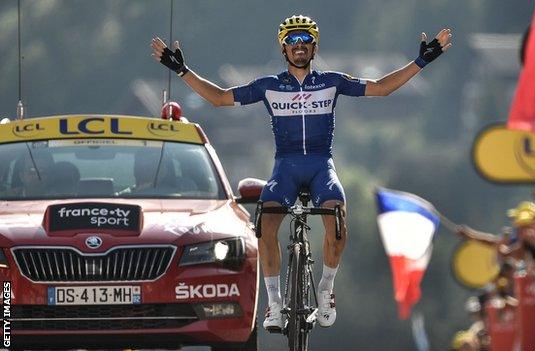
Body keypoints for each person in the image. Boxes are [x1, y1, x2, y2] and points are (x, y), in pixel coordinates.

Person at [151, 14, 452, 330]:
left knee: (337, 220)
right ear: (284, 48)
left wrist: (422, 61)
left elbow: (381, 88)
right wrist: (181, 70)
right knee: (265, 225)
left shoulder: (332, 82)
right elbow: (219, 97)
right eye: (292, 40)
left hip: (321, 166)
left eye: (305, 40)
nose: (299, 45)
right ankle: (275, 305)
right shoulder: (269, 86)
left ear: (314, 46)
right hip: (286, 168)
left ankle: (325, 290)